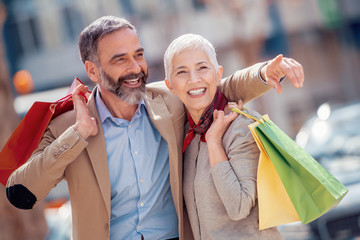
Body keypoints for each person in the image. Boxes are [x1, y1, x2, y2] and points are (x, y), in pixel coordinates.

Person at [6, 16, 303, 240]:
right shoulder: (68, 125)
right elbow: (21, 191)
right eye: (120, 59)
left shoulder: (169, 102)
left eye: (138, 54)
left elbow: (218, 86)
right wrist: (78, 135)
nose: (135, 68)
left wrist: (265, 72)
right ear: (93, 70)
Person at [164, 33, 302, 239]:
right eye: (182, 72)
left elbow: (239, 206)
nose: (194, 79)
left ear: (218, 74)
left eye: (202, 68)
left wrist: (213, 142)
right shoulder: (184, 136)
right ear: (170, 86)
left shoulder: (240, 127)